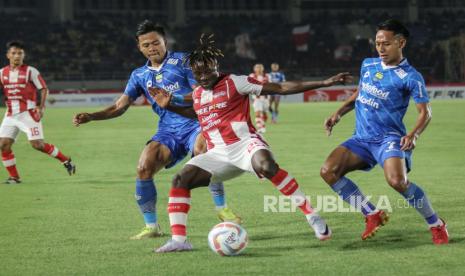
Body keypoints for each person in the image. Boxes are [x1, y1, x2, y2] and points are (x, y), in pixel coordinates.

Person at [150, 34, 352, 253]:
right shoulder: (198, 94)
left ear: (217, 66)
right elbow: (197, 114)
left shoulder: (236, 82)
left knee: (267, 166)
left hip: (246, 145)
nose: (204, 77)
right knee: (180, 178)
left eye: (208, 71)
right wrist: (169, 106)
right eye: (198, 73)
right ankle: (180, 241)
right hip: (217, 154)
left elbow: (280, 88)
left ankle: (313, 216)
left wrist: (324, 82)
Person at [72, 21, 240, 240]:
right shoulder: (139, 75)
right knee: (144, 166)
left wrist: (174, 98)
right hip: (168, 130)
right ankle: (152, 226)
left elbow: (202, 91)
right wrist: (92, 116)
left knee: (203, 153)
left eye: (155, 43)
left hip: (198, 122)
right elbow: (119, 106)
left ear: (165, 42)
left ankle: (221, 208)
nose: (152, 48)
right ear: (139, 48)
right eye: (146, 45)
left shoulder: (183, 61)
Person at [320, 19, 449, 244]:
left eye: (386, 43)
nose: (380, 48)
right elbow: (360, 93)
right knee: (328, 171)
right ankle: (372, 213)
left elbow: (425, 112)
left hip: (388, 139)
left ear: (401, 42)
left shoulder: (411, 76)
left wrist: (414, 134)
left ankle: (436, 224)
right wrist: (338, 113)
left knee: (397, 181)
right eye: (377, 43)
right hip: (361, 139)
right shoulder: (368, 65)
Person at [0, 41, 75, 184]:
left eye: (20, 53)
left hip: (28, 114)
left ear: (24, 55)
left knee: (37, 145)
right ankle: (14, 177)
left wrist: (41, 107)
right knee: (3, 144)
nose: (17, 56)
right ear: (8, 55)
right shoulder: (2, 73)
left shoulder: (31, 71)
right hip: (10, 114)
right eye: (14, 53)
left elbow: (43, 88)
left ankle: (66, 160)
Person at [249, 64, 269, 133]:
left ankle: (262, 125)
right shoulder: (252, 76)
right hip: (256, 98)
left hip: (265, 98)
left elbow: (271, 85)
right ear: (254, 69)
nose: (259, 69)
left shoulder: (267, 76)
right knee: (257, 113)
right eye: (257, 68)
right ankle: (260, 128)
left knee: (265, 115)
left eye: (260, 68)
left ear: (262, 69)